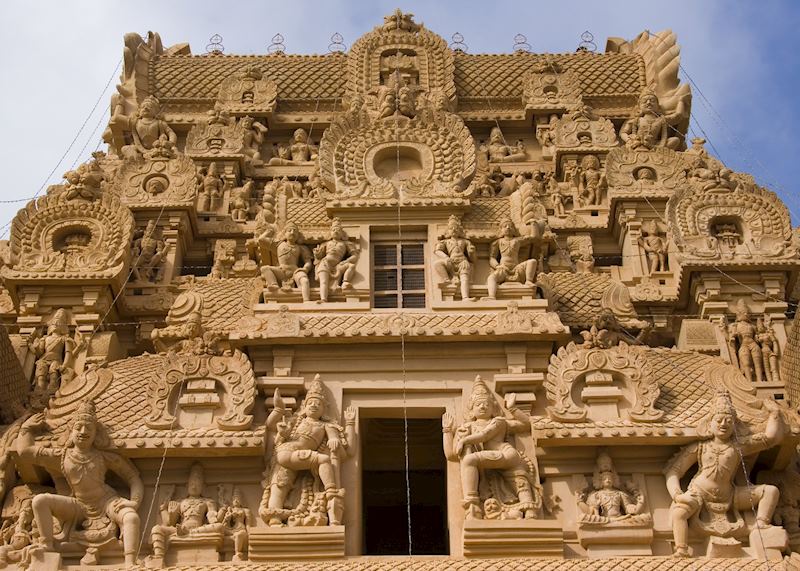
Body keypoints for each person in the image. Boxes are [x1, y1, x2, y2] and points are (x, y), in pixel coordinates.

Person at [16, 402, 143, 567]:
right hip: (79, 504)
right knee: (40, 501)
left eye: (89, 428)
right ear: (71, 431)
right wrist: (26, 429)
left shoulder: (104, 457)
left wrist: (134, 502)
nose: (83, 432)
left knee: (131, 517)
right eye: (79, 427)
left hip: (106, 501)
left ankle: (130, 562)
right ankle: (47, 547)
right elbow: (25, 452)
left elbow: (133, 477)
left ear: (96, 433)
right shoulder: (61, 456)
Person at [664, 393, 783, 557]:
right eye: (718, 420)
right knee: (679, 513)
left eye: (729, 421)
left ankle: (761, 524)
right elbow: (674, 471)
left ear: (734, 425)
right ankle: (682, 549)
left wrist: (774, 413)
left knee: (770, 491)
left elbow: (770, 438)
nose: (723, 424)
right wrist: (678, 495)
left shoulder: (738, 446)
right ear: (709, 424)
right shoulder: (700, 447)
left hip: (730, 495)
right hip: (699, 493)